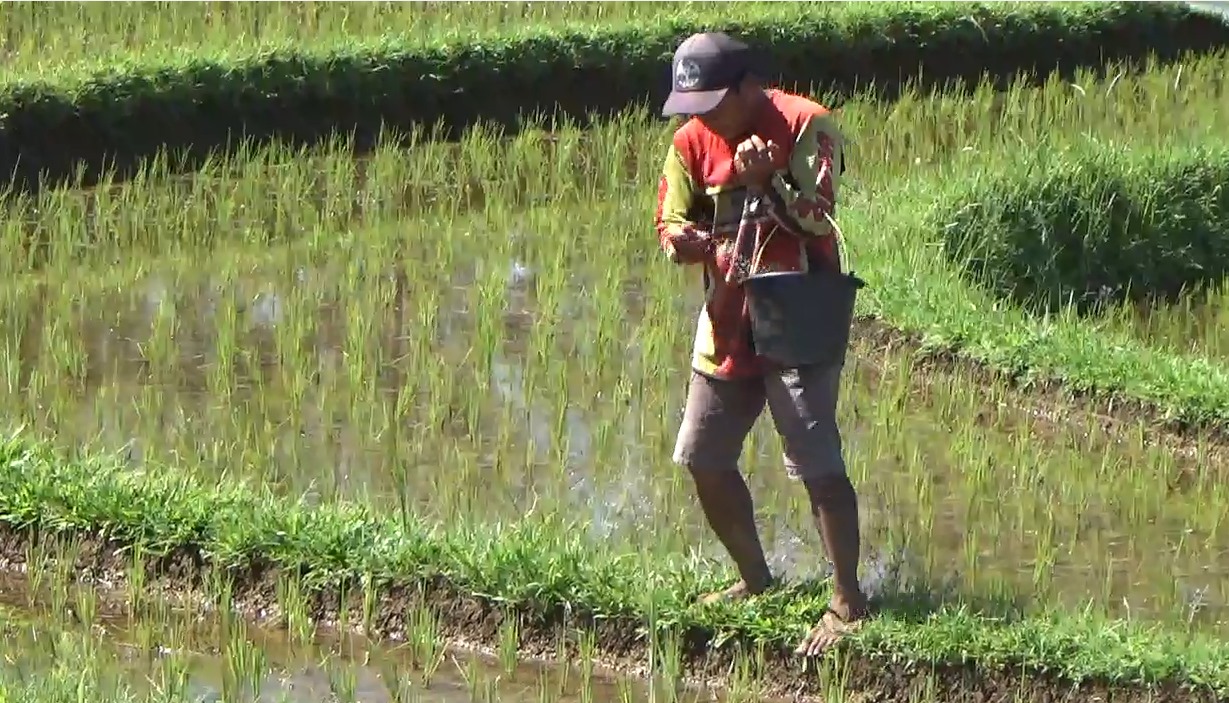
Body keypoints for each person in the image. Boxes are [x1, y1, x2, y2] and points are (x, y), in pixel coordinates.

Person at [652, 31, 870, 657]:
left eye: (716, 101)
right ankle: (755, 580)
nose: (704, 115)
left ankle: (847, 599)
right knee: (703, 455)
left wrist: (769, 178)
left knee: (815, 459)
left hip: (797, 311)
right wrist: (686, 241)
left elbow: (819, 215)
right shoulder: (689, 141)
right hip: (726, 316)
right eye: (693, 104)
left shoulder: (807, 124)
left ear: (751, 86)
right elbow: (669, 219)